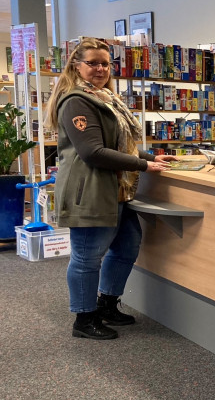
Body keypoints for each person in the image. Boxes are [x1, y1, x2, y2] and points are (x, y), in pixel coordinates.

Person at [45, 38, 176, 340]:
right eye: (92, 63)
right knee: (87, 256)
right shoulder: (76, 100)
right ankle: (84, 318)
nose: (100, 68)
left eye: (105, 63)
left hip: (116, 189)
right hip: (89, 191)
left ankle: (106, 304)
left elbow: (119, 145)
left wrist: (150, 156)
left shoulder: (105, 97)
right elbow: (93, 151)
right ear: (76, 66)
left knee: (127, 245)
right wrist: (143, 166)